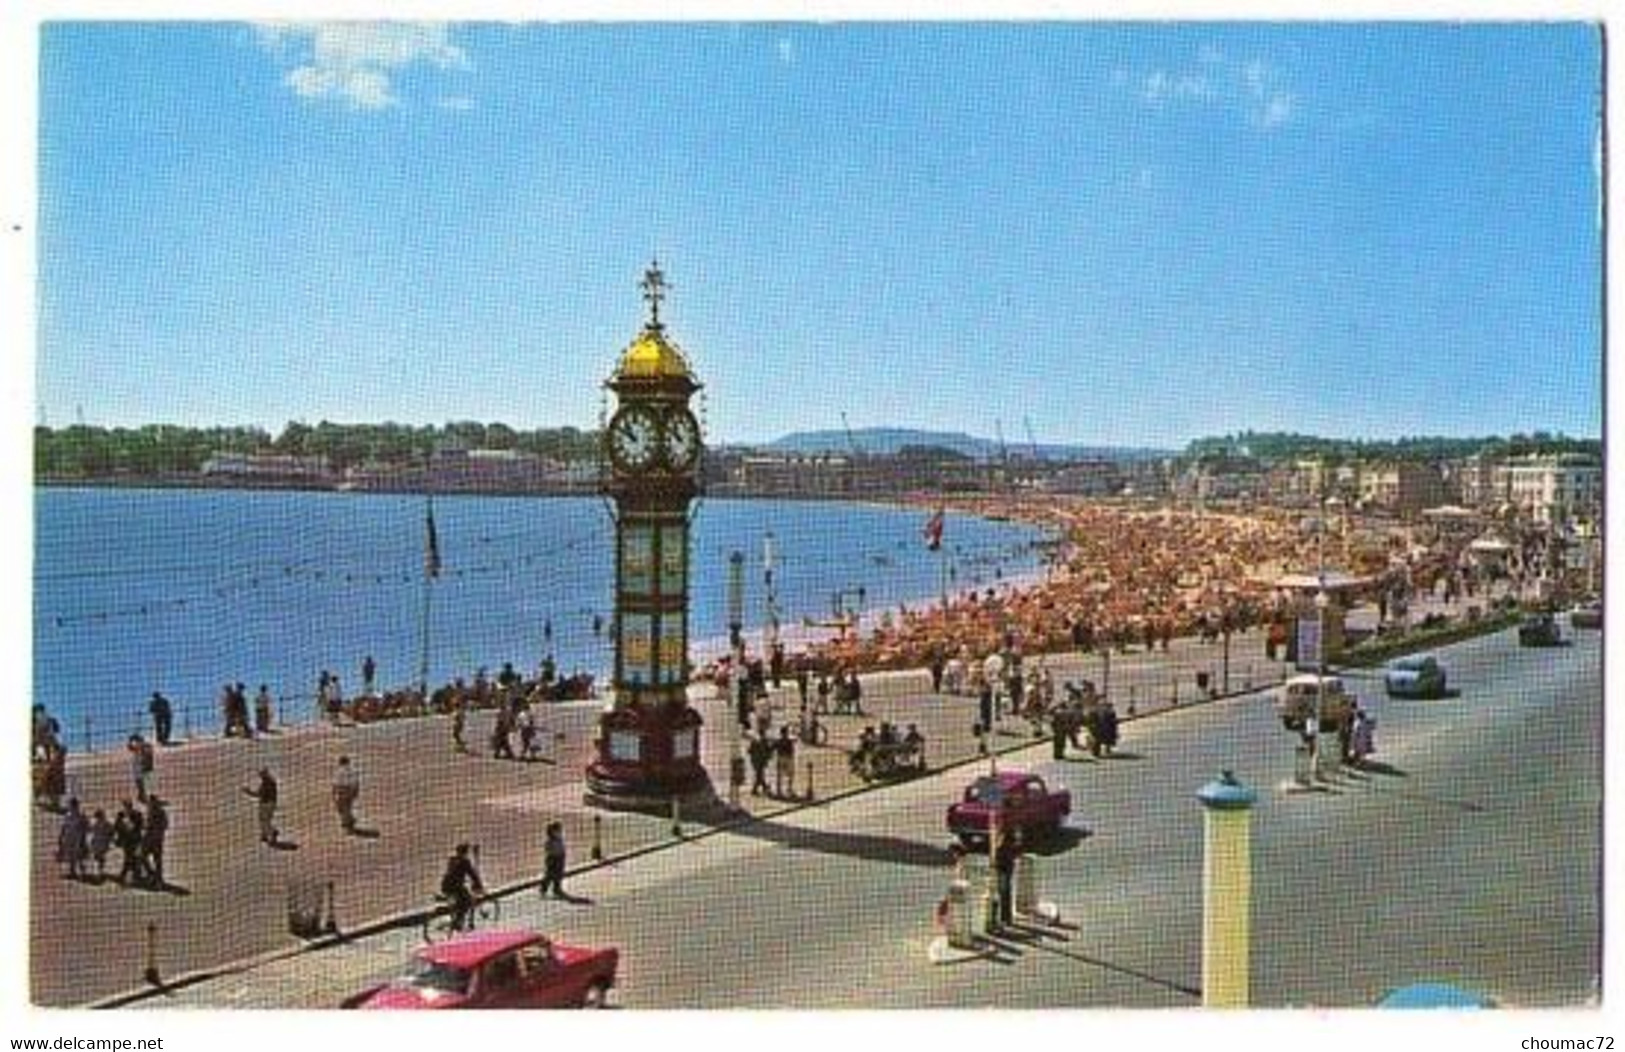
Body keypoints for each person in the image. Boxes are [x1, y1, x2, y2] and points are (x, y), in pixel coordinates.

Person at [440, 843, 485, 932]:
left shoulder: (452, 859)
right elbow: (472, 874)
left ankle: (457, 919)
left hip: (445, 885)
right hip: (455, 886)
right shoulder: (465, 861)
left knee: (460, 900)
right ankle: (458, 922)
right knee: (467, 902)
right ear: (466, 852)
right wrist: (479, 884)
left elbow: (454, 872)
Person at [113, 800, 146, 887]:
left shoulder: (137, 815)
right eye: (125, 806)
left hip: (135, 841)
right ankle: (132, 876)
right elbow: (116, 826)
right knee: (129, 858)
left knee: (132, 858)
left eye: (128, 806)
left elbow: (142, 826)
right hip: (126, 841)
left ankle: (128, 876)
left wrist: (133, 828)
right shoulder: (121, 815)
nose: (127, 808)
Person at [243, 767, 279, 845]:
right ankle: (265, 835)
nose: (260, 776)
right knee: (265, 820)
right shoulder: (272, 781)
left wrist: (248, 791)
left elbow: (258, 794)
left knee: (264, 821)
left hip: (266, 804)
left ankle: (272, 833)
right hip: (272, 803)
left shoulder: (266, 783)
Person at [141, 796, 169, 888]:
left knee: (157, 861)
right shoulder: (152, 810)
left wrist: (154, 828)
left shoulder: (160, 813)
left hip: (155, 840)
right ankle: (153, 876)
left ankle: (157, 880)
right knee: (143, 856)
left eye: (152, 803)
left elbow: (164, 825)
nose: (150, 805)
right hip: (151, 839)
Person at [57, 798, 88, 880]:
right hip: (69, 837)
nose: (72, 807)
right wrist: (61, 836)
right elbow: (64, 827)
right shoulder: (68, 815)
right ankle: (72, 872)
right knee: (71, 855)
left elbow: (85, 826)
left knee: (79, 855)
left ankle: (83, 873)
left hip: (78, 837)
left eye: (72, 805)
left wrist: (83, 837)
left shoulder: (81, 815)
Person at [332, 755, 360, 834]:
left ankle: (349, 826)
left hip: (342, 792)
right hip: (347, 792)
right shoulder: (350, 771)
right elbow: (355, 783)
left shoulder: (341, 771)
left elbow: (334, 784)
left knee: (343, 809)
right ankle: (349, 820)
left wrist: (334, 793)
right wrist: (355, 793)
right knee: (345, 809)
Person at [538, 822, 567, 898]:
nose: (560, 832)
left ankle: (557, 889)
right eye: (558, 831)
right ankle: (543, 888)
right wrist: (551, 857)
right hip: (552, 859)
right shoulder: (549, 841)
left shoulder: (560, 839)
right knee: (549, 875)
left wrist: (563, 855)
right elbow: (548, 850)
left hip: (560, 858)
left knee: (559, 875)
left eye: (560, 830)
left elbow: (562, 848)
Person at [88, 808, 114, 879]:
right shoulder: (102, 823)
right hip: (100, 843)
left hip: (100, 843)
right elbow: (91, 830)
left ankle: (98, 872)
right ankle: (98, 873)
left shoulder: (106, 823)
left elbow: (111, 832)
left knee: (99, 858)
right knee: (99, 858)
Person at [128, 734, 154, 803]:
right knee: (141, 785)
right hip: (137, 771)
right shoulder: (135, 751)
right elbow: (130, 747)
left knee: (145, 785)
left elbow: (149, 757)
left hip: (144, 770)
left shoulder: (146, 748)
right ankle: (142, 796)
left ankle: (142, 796)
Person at [774, 725, 796, 798]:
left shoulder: (778, 741)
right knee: (790, 775)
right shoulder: (789, 741)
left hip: (780, 758)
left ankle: (779, 790)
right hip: (788, 758)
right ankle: (788, 789)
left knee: (780, 775)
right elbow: (792, 751)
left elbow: (773, 748)